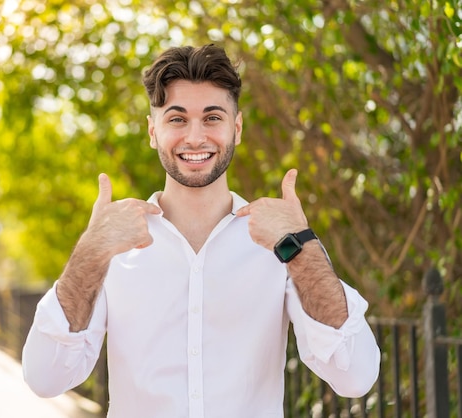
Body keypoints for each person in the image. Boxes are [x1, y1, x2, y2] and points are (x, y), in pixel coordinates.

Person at [22, 44, 380, 417]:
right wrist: (90, 252)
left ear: (236, 128)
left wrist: (301, 246)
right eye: (177, 119)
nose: (195, 137)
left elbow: (355, 376)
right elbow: (45, 378)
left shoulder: (281, 244)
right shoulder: (115, 245)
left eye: (212, 118)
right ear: (152, 131)